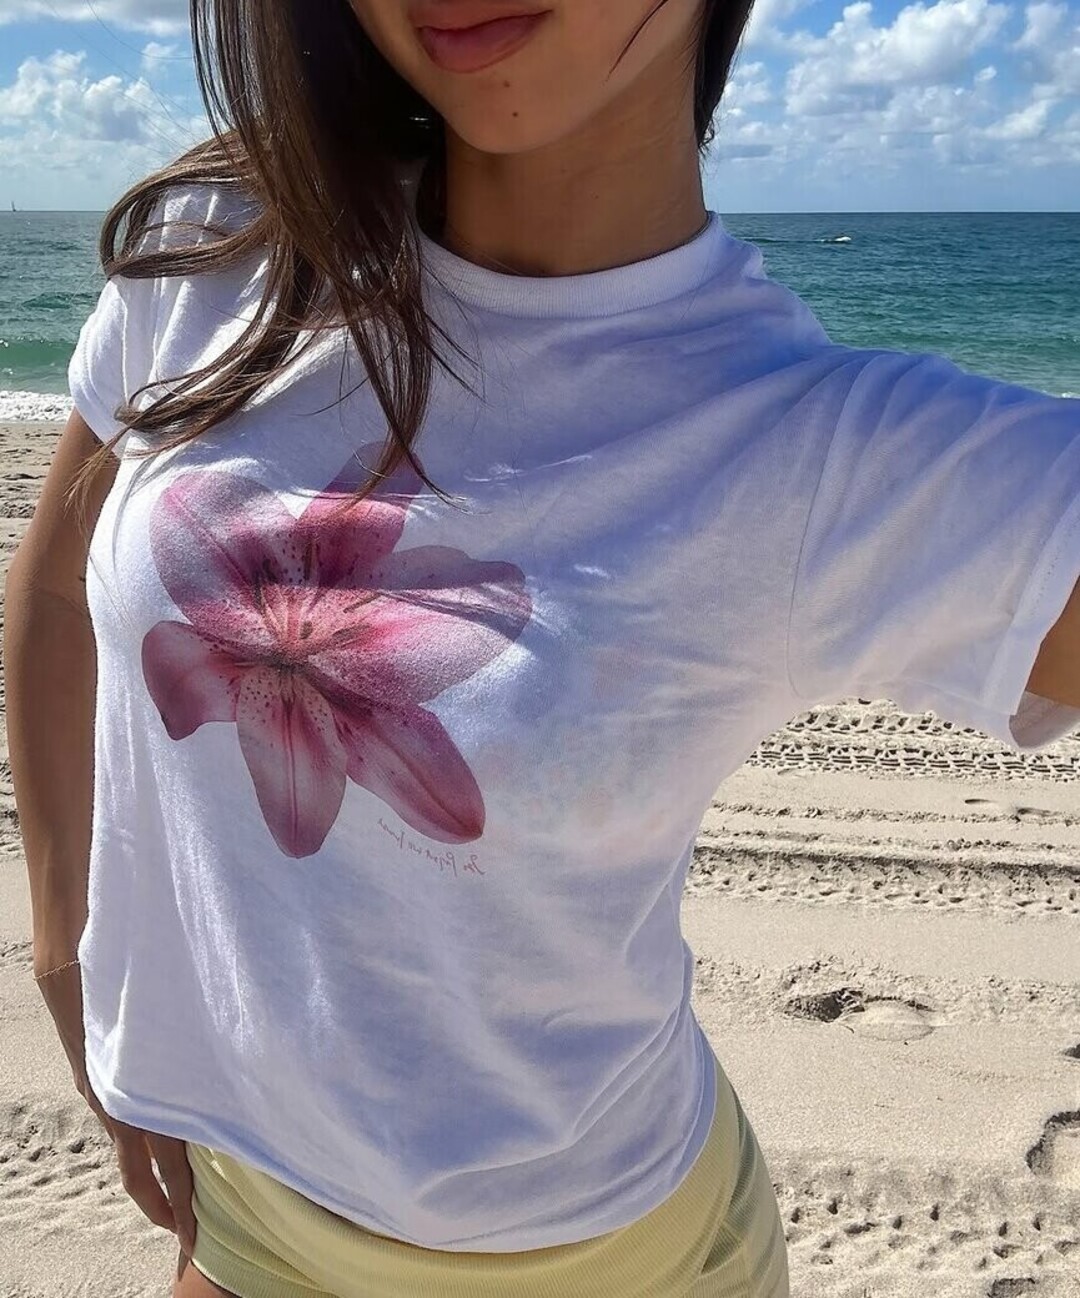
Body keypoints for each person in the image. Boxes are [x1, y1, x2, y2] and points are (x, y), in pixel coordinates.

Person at [6, 1, 1080, 1295]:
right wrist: (64, 934)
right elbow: (61, 577)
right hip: (245, 1203)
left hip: (613, 1253)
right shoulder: (227, 247)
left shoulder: (815, 453)